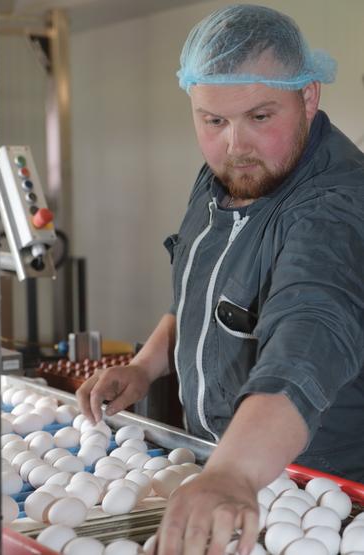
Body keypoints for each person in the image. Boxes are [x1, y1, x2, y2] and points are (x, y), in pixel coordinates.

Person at [77, 4, 364, 554]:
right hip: (223, 471)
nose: (235, 146)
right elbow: (207, 294)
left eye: (260, 117)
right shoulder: (226, 175)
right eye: (213, 121)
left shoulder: (335, 207)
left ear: (308, 97)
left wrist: (233, 473)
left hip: (320, 493)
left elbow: (310, 333)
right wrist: (146, 366)